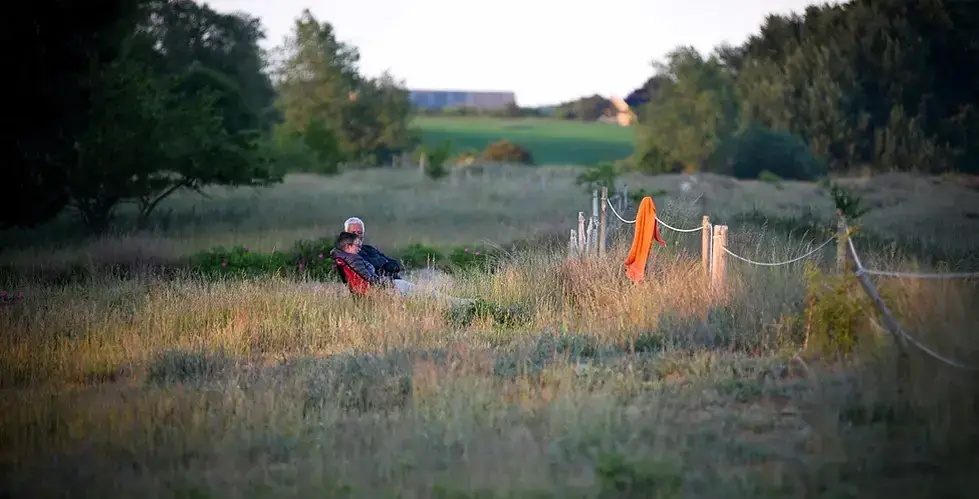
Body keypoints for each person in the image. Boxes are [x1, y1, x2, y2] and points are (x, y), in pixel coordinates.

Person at [330, 232, 472, 305]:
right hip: (388, 287)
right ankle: (458, 302)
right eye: (357, 246)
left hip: (385, 286)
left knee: (425, 293)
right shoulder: (353, 259)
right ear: (347, 246)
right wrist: (389, 282)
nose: (359, 249)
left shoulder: (345, 258)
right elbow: (371, 279)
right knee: (426, 293)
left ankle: (456, 301)